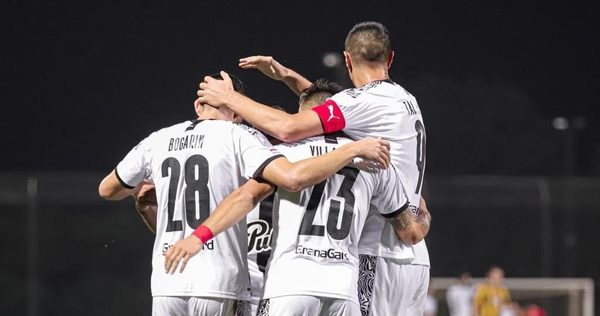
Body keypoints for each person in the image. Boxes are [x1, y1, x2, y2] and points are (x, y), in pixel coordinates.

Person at [98, 73, 391, 316]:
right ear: (237, 112)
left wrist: (142, 193)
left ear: (198, 106)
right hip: (224, 280)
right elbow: (290, 176)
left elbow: (107, 189)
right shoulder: (240, 136)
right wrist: (351, 149)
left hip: (167, 281)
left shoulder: (157, 140)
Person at [197, 23, 431, 315]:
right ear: (391, 58)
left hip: (379, 250)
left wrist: (229, 98)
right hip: (411, 248)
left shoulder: (362, 105)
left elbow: (289, 128)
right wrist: (289, 77)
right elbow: (335, 108)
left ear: (346, 60)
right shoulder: (404, 99)